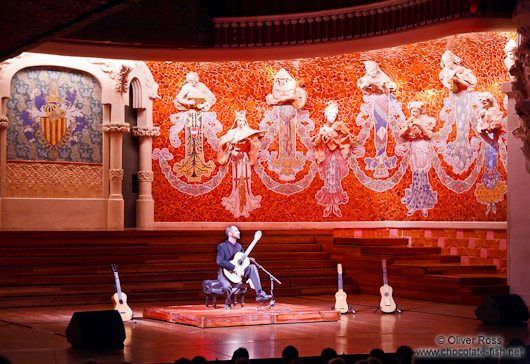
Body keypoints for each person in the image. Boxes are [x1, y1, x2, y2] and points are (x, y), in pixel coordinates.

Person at [217, 226, 272, 308]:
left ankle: (259, 294)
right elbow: (220, 261)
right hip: (225, 273)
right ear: (230, 233)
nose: (239, 232)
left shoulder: (239, 246)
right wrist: (234, 268)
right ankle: (228, 303)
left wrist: (250, 276)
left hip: (239, 272)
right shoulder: (222, 246)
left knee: (252, 267)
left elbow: (243, 262)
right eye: (236, 231)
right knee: (226, 286)